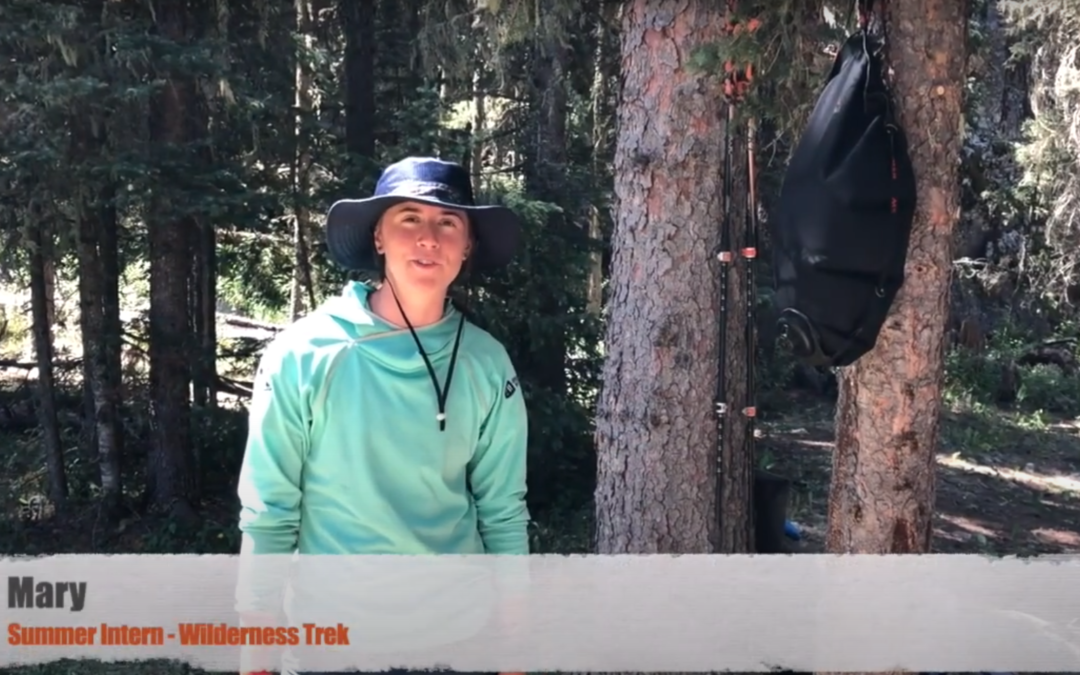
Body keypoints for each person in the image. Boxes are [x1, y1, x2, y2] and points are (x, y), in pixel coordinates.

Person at [235, 157, 531, 675]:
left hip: (459, 641)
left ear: (469, 245)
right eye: (409, 218)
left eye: (448, 222)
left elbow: (502, 510)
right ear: (378, 237)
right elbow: (269, 510)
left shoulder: (487, 363)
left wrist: (514, 647)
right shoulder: (304, 353)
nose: (429, 237)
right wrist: (255, 656)